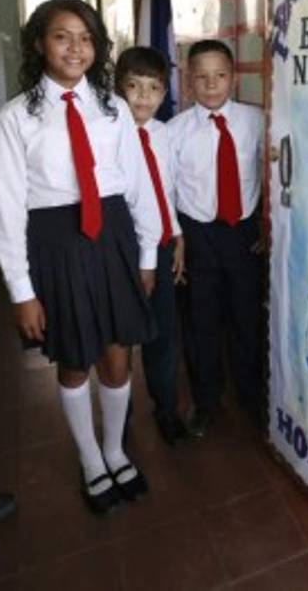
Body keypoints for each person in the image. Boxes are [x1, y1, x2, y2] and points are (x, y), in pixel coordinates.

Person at [0, 0, 160, 516]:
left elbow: (139, 187)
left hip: (111, 237)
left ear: (98, 48)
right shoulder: (18, 116)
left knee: (116, 352)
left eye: (85, 37)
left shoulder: (112, 109)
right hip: (55, 243)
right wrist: (22, 290)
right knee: (73, 357)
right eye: (62, 36)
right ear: (40, 43)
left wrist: (148, 252)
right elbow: (7, 206)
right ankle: (89, 458)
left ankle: (114, 449)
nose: (75, 48)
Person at [165, 39, 264, 437]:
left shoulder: (257, 120)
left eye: (220, 75)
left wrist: (265, 226)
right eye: (201, 77)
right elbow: (168, 190)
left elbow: (270, 175)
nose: (211, 85)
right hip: (197, 235)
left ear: (233, 77)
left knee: (247, 318)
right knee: (200, 322)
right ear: (188, 82)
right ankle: (206, 400)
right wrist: (177, 238)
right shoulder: (174, 132)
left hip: (243, 234)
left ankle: (251, 395)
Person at [115, 46, 188, 446]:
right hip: (122, 253)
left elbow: (166, 190)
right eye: (134, 86)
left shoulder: (163, 134)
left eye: (154, 88)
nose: (143, 97)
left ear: (164, 92)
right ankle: (118, 418)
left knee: (163, 333)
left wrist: (176, 235)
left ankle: (166, 408)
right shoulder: (107, 133)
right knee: (121, 339)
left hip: (160, 248)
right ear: (118, 87)